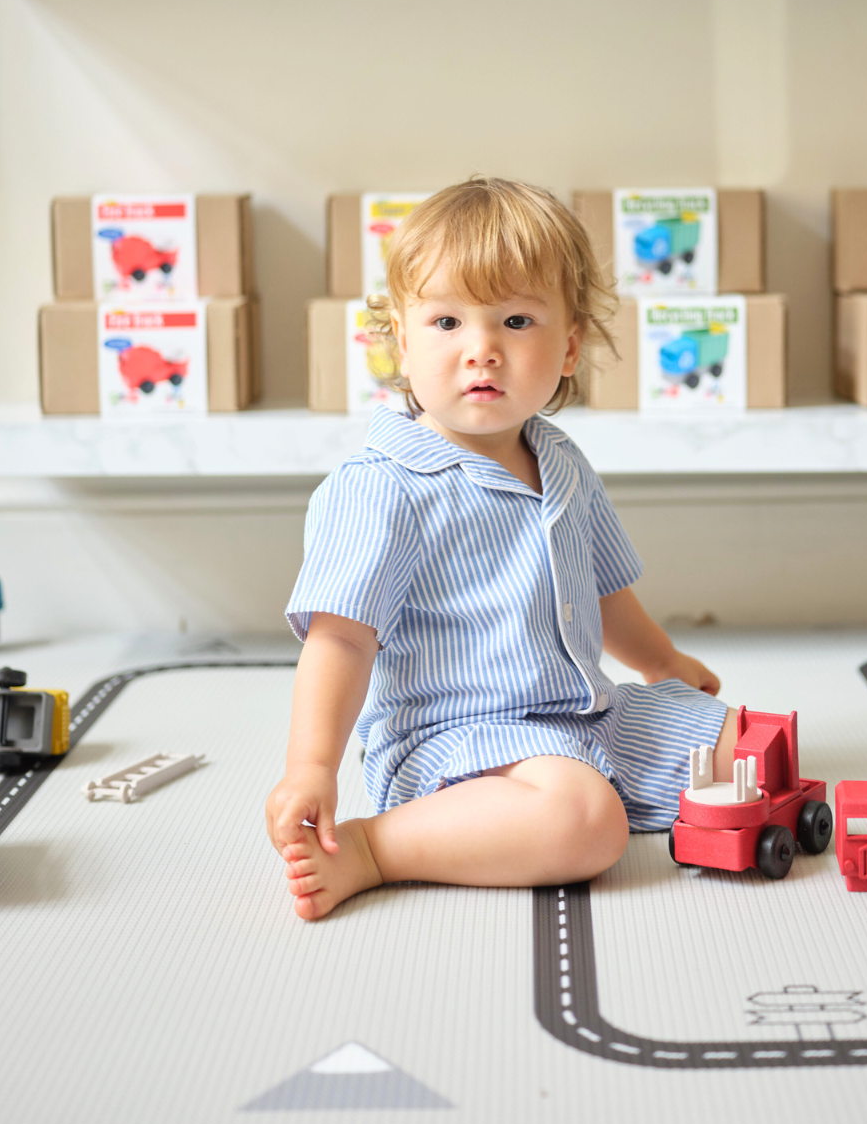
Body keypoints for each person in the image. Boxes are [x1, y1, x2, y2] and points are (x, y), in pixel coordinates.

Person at [266, 177, 742, 920]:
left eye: (516, 321)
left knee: (746, 748)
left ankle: (573, 786)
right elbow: (342, 641)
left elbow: (604, 590)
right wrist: (312, 766)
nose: (482, 351)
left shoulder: (561, 461)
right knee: (586, 823)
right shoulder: (382, 486)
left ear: (571, 345)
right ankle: (381, 846)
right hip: (455, 738)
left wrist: (663, 666)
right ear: (399, 339)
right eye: (448, 321)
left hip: (581, 715)